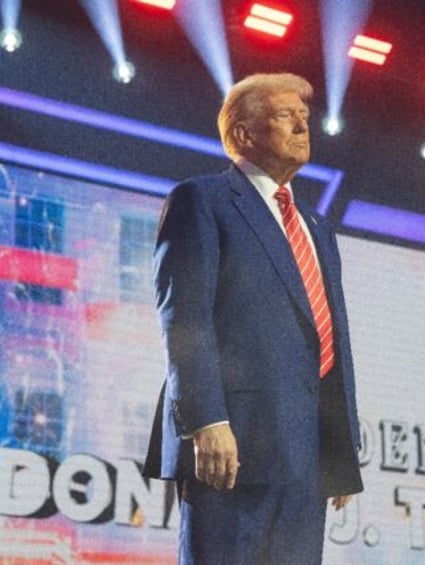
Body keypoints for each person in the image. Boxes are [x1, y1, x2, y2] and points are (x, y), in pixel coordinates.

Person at [143, 73, 363, 564]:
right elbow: (184, 315)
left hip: (307, 456)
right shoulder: (202, 200)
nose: (304, 127)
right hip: (233, 445)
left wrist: (340, 451)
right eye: (288, 116)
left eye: (305, 118)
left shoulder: (317, 229)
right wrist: (207, 421)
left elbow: (330, 341)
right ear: (243, 134)